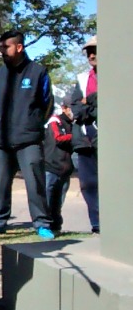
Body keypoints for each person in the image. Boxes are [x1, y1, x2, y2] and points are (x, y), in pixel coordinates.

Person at [0, 30, 55, 240]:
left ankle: (42, 223)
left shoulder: (38, 72)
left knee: (35, 183)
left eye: (6, 47)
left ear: (19, 47)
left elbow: (47, 103)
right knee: (1, 184)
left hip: (29, 139)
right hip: (3, 139)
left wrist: (33, 124)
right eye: (1, 47)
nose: (2, 51)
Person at [71, 35, 99, 234]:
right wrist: (92, 103)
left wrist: (87, 102)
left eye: (96, 50)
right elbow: (75, 109)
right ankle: (97, 224)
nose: (92, 55)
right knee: (88, 184)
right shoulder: (82, 78)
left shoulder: (118, 76)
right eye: (88, 51)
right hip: (85, 138)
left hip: (108, 138)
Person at [44, 95, 75, 232]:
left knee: (58, 202)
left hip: (65, 169)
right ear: (64, 108)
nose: (75, 111)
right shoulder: (55, 121)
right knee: (49, 200)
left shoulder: (74, 124)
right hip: (51, 167)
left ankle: (56, 226)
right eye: (72, 108)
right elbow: (58, 138)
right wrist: (76, 136)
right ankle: (46, 226)